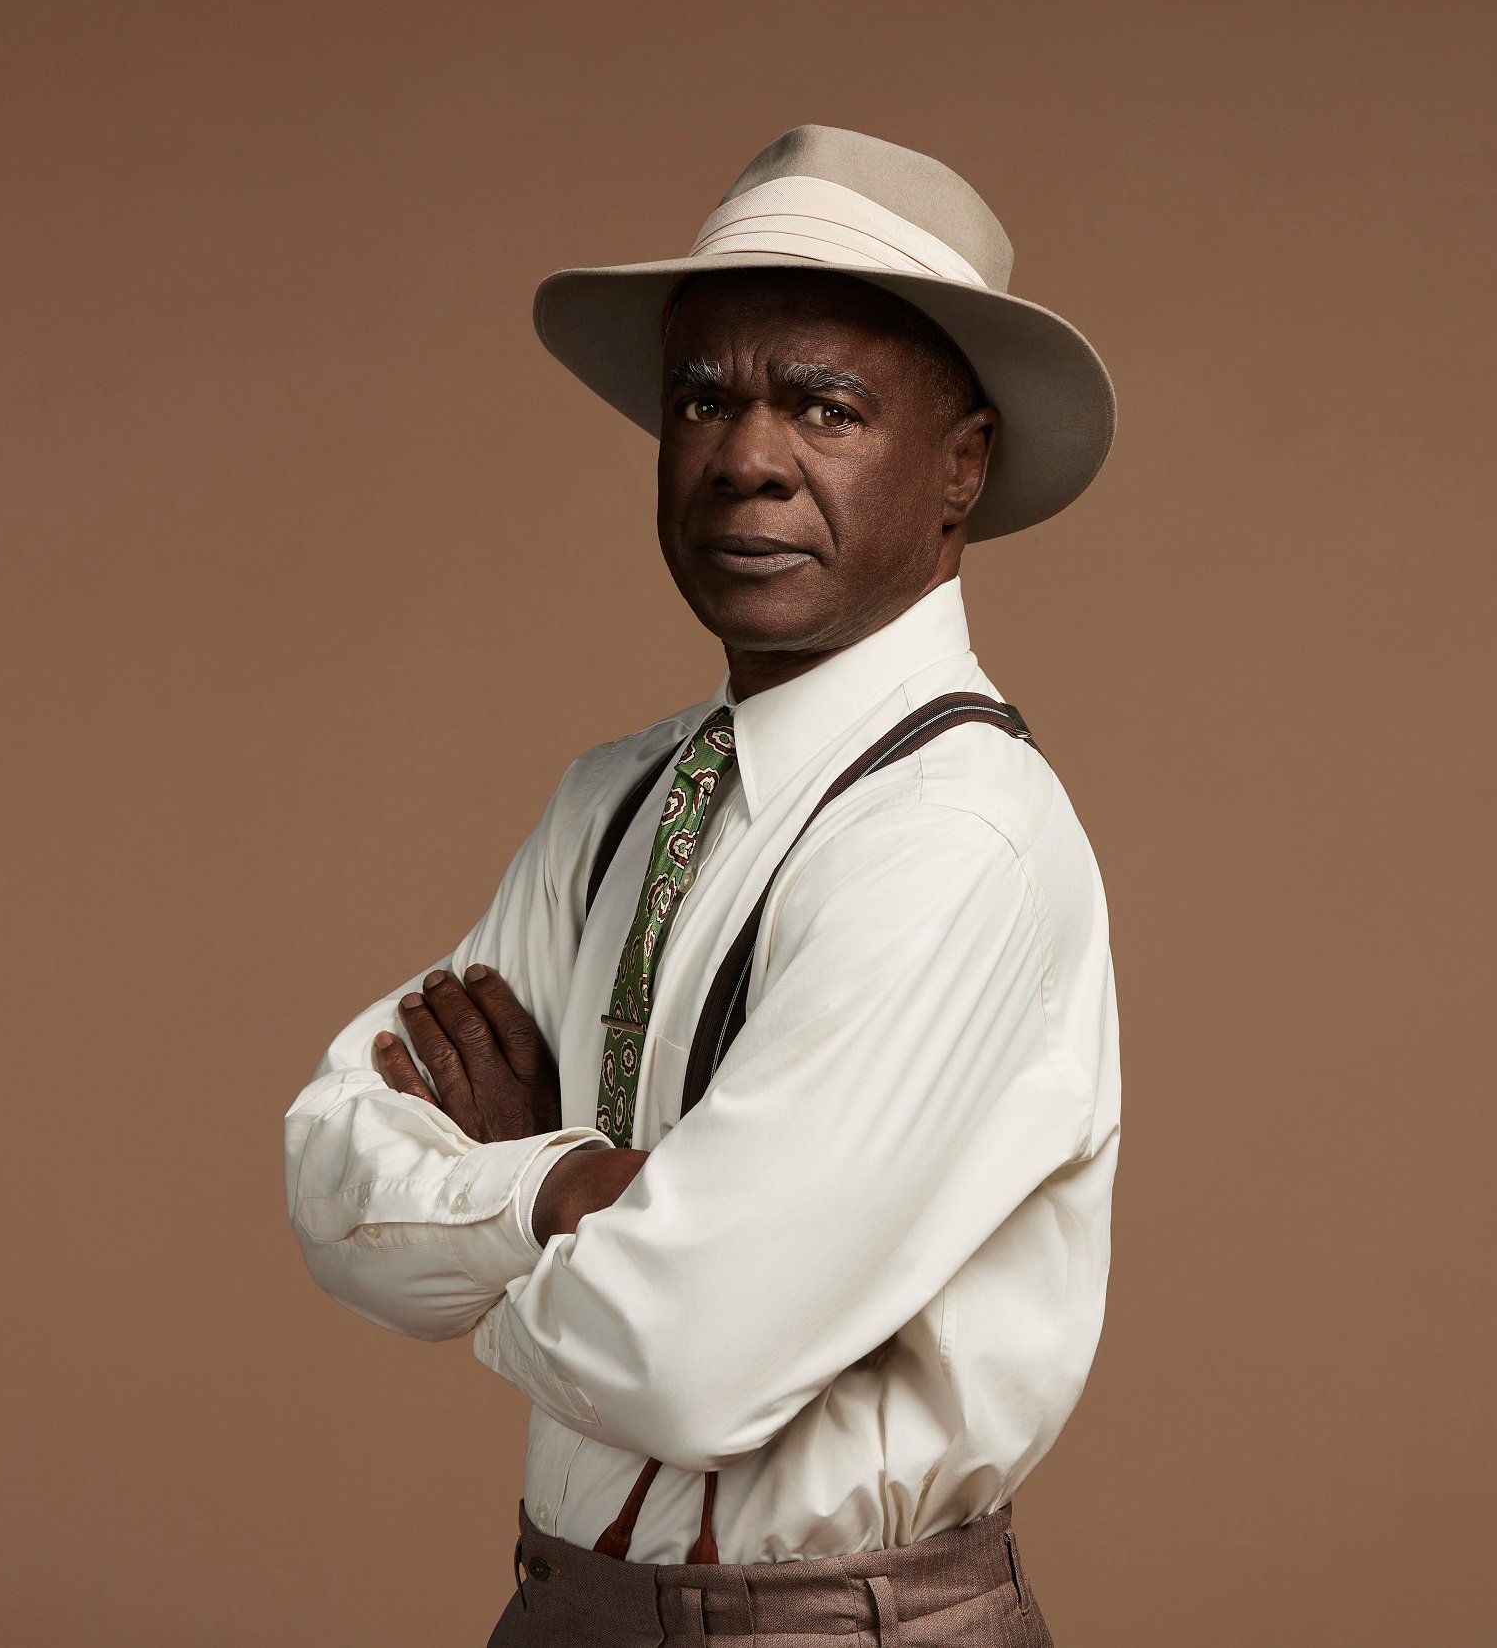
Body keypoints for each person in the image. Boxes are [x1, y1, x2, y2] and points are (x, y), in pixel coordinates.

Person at [282, 124, 1119, 1647]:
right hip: (563, 1612)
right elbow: (331, 1164)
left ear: (962, 468)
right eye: (702, 398)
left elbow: (689, 1355)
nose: (746, 456)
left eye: (830, 406)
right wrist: (555, 1186)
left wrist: (473, 1224)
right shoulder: (613, 801)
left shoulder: (955, 839)